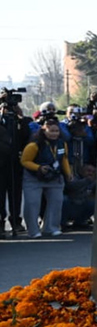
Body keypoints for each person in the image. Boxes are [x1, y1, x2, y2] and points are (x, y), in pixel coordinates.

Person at [20, 116, 73, 238]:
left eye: (56, 131)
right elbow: (25, 161)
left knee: (56, 202)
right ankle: (33, 230)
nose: (54, 133)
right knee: (32, 203)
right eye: (51, 131)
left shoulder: (62, 144)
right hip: (34, 178)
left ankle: (51, 227)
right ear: (44, 131)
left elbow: (63, 159)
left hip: (54, 177)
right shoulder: (34, 145)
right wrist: (38, 167)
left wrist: (68, 173)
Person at [0, 91, 30, 234]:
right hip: (1, 163)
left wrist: (20, 116)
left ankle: (16, 221)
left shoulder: (21, 121)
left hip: (16, 163)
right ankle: (1, 222)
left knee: (15, 194)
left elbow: (27, 135)